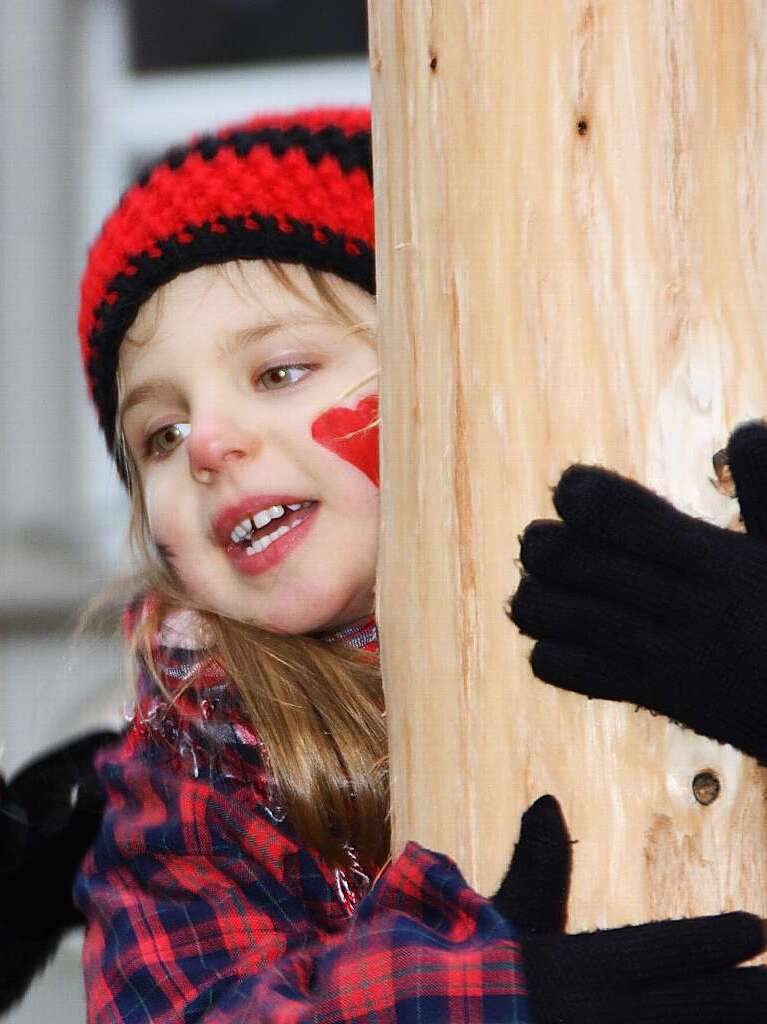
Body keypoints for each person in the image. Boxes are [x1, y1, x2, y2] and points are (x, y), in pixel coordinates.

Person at [3, 107, 766, 1023]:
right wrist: (451, 1002)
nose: (205, 441)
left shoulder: (697, 534)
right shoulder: (192, 767)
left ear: (439, 368)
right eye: (157, 434)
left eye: (280, 372)